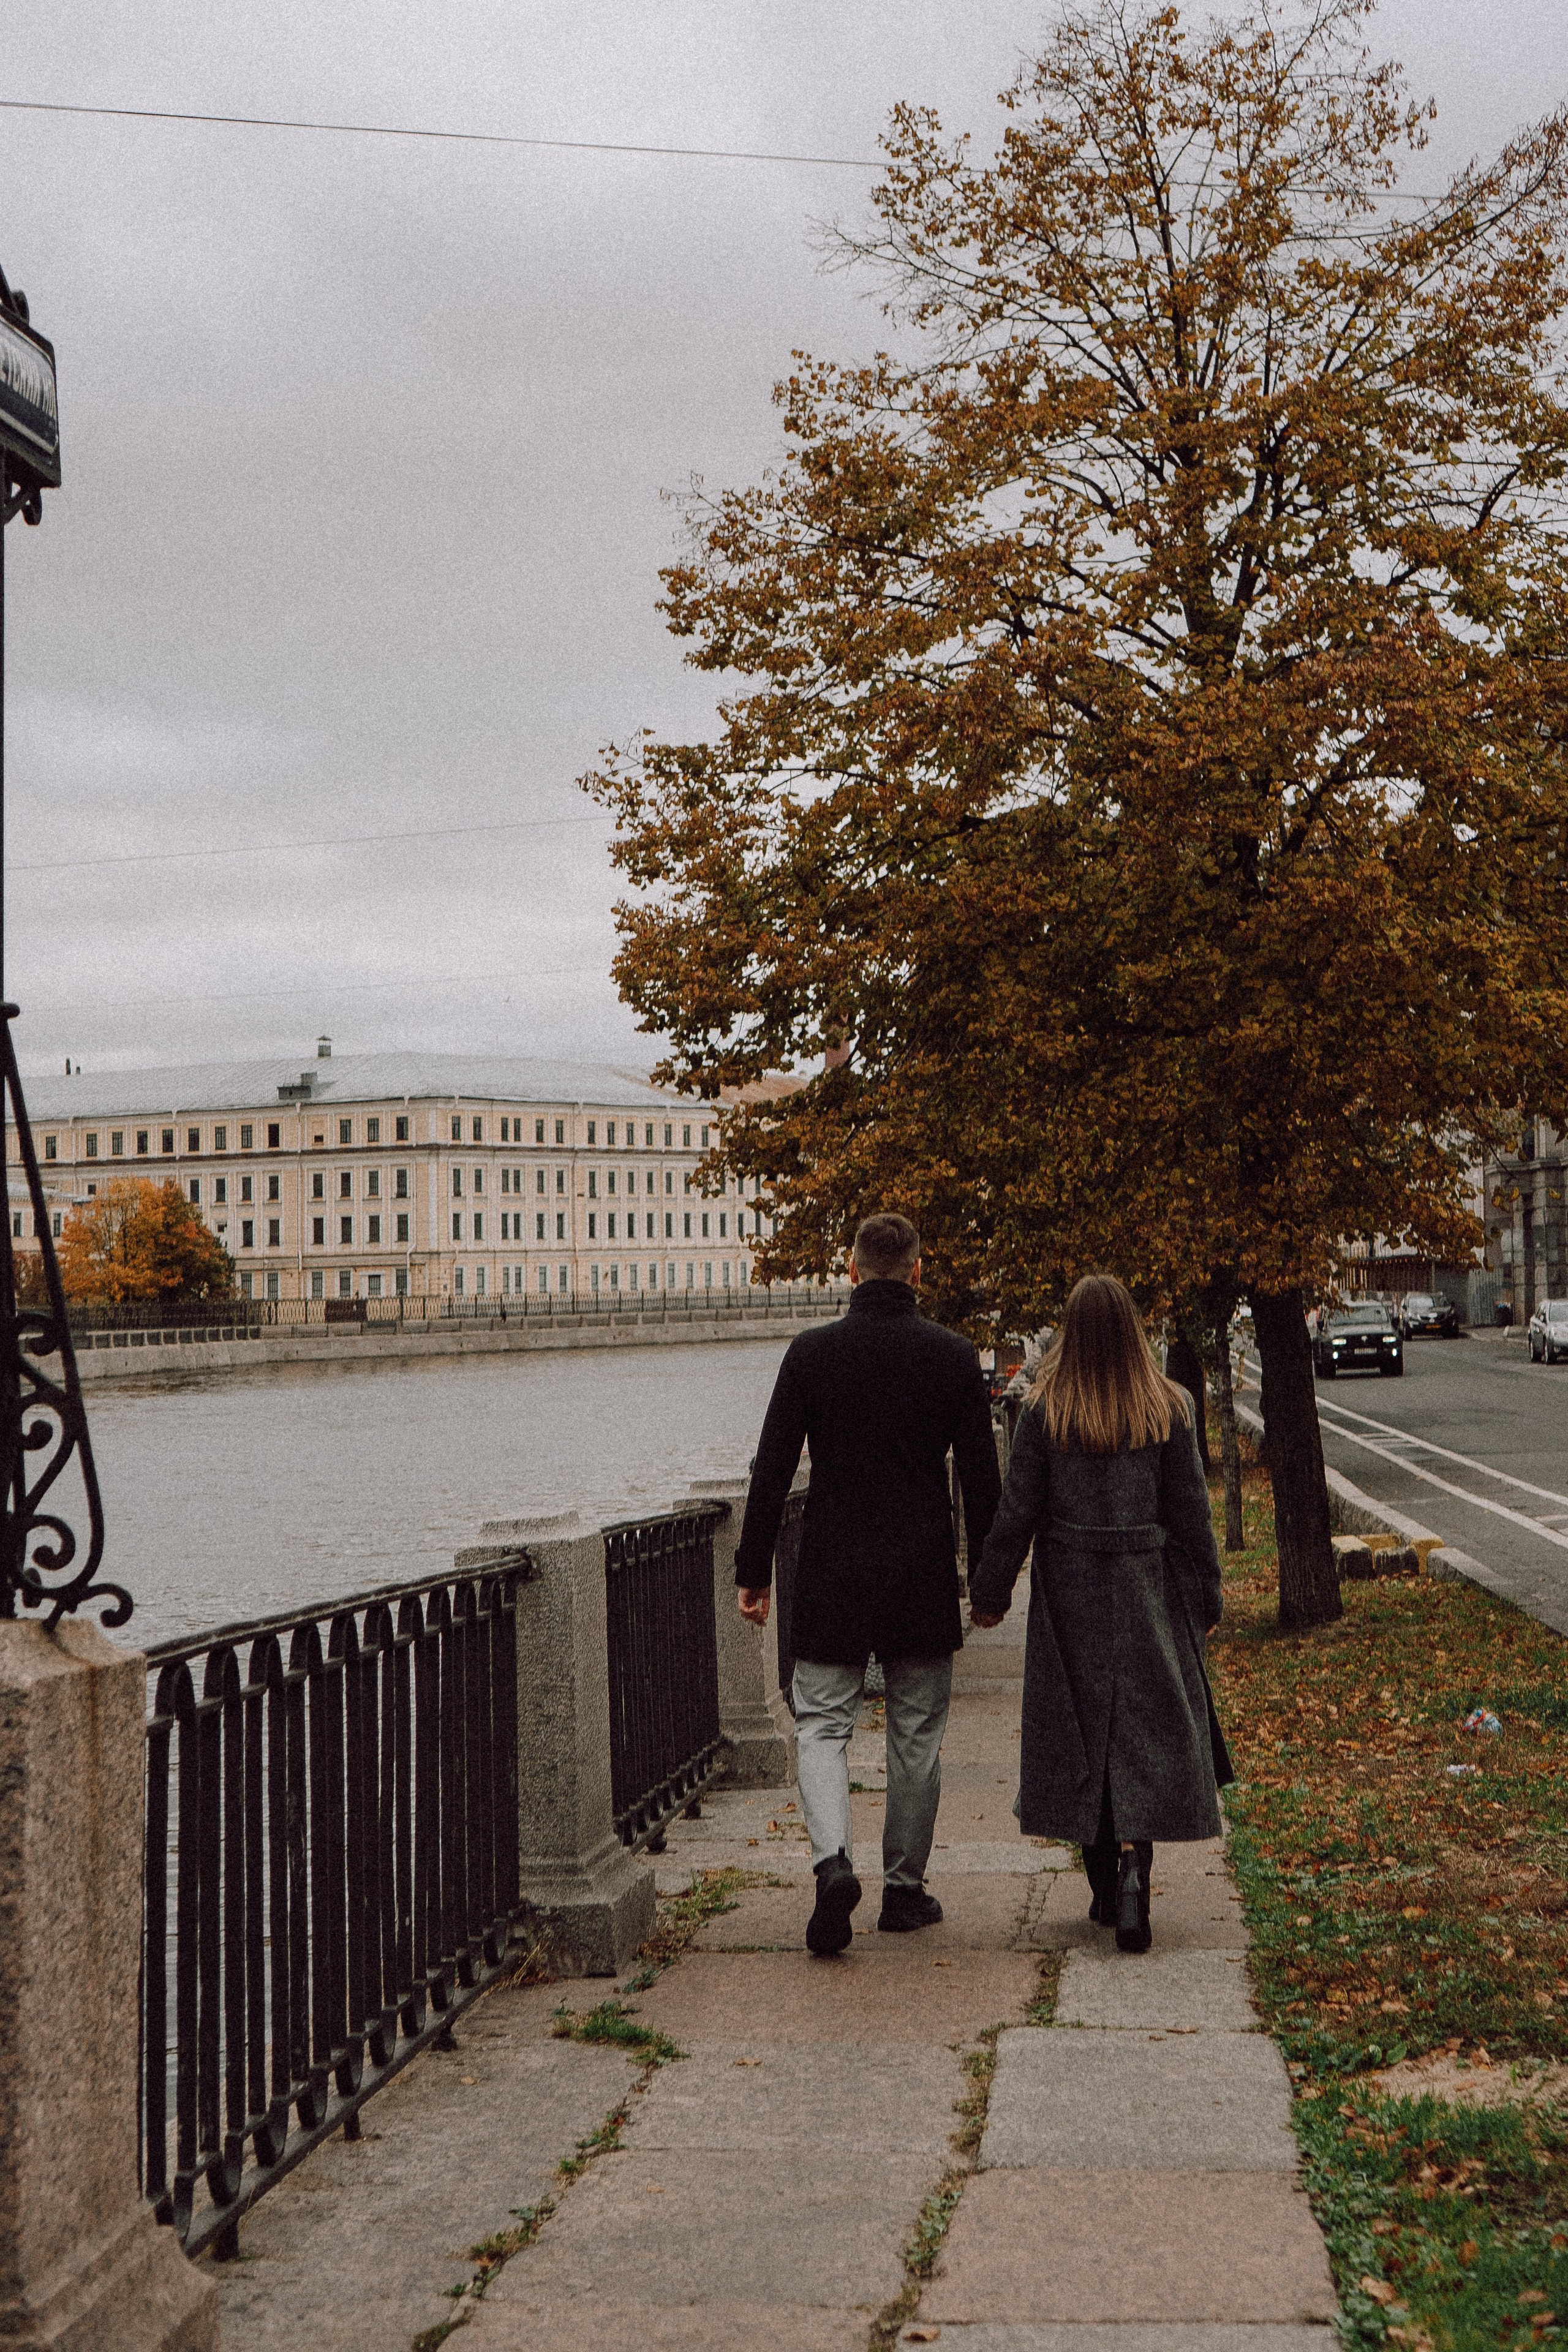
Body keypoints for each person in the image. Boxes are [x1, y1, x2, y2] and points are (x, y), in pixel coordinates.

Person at [734, 1212, 1001, 1956]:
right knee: (916, 1736)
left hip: (833, 1569)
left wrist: (753, 1572)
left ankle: (832, 1864)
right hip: (919, 1570)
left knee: (821, 1726)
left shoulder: (811, 1354)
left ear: (850, 1271)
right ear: (918, 1271)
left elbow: (772, 1468)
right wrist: (989, 1582)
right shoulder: (952, 1356)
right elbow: (982, 1478)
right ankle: (904, 1892)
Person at [968, 1273, 1230, 1954]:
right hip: (1149, 1586)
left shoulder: (1045, 1411)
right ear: (1134, 1330)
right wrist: (1207, 1596)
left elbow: (1016, 1512)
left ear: (1071, 1333)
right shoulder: (1169, 1407)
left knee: (1082, 1733)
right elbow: (1193, 1514)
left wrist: (990, 1593)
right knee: (1140, 1729)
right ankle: (1136, 1867)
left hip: (1070, 1595)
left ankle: (1105, 1887)